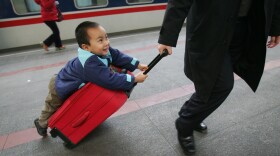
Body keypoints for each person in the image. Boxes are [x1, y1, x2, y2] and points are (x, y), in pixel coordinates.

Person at [158, 0, 280, 155]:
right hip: (209, 29)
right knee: (221, 84)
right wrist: (166, 37)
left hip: (245, 28)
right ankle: (185, 123)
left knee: (212, 80)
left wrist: (275, 26)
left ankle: (192, 114)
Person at [34, 21, 148, 136]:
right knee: (52, 106)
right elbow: (109, 79)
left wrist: (137, 64)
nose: (106, 42)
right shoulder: (89, 64)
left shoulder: (102, 49)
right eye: (100, 40)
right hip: (60, 84)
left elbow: (118, 56)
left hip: (72, 80)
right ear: (86, 47)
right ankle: (41, 123)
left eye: (106, 37)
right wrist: (134, 79)